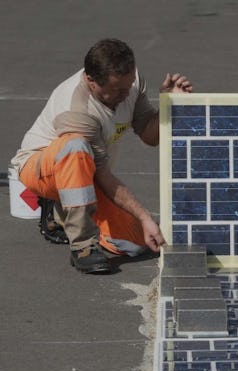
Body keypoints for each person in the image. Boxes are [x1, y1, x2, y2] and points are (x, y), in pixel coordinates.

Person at [10, 38, 193, 274]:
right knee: (75, 147)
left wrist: (169, 105)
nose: (126, 94)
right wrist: (145, 216)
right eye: (117, 90)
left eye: (129, 85)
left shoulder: (131, 82)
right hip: (41, 169)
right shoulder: (76, 109)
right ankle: (83, 246)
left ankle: (62, 210)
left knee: (135, 243)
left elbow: (150, 136)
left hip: (87, 173)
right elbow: (102, 174)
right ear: (91, 80)